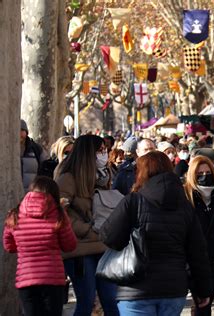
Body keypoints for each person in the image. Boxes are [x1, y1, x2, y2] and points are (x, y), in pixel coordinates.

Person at [100, 151, 213, 316]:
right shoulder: (185, 206)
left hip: (136, 288)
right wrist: (203, 290)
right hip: (174, 288)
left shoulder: (133, 201)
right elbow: (197, 253)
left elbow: (108, 237)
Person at [54, 135, 119, 316]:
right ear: (87, 153)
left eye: (104, 150)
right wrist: (86, 229)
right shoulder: (68, 178)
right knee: (86, 301)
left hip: (105, 246)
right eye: (99, 151)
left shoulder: (106, 176)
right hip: (80, 250)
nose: (103, 155)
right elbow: (59, 212)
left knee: (110, 301)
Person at [3, 176, 77, 316]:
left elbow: (9, 247)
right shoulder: (59, 215)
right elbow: (70, 245)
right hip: (52, 280)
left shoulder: (14, 215)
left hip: (26, 279)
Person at [184, 156, 214, 316]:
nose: (204, 176)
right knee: (202, 307)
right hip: (198, 262)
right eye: (200, 173)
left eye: (208, 172)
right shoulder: (185, 196)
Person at [21, 119, 48, 192]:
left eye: (22, 130)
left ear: (26, 132)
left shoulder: (36, 149)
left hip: (32, 194)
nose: (19, 133)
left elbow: (45, 167)